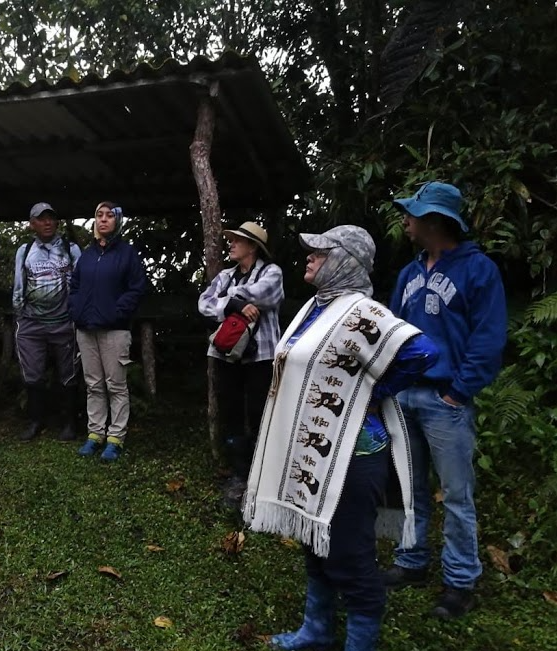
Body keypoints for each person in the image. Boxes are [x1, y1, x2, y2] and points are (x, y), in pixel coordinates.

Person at [243, 225, 439, 651]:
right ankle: (317, 631)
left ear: (345, 261)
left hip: (354, 454)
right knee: (316, 543)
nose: (309, 257)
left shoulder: (363, 313)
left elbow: (422, 352)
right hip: (317, 452)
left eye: (320, 251)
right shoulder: (318, 308)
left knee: (350, 557)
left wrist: (371, 393)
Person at [384, 182, 508, 619]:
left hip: (446, 400)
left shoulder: (478, 270)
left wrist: (458, 391)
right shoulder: (409, 273)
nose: (405, 219)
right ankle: (411, 560)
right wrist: (391, 385)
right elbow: (393, 331)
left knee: (456, 494)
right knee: (409, 487)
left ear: (435, 220)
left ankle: (460, 581)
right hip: (405, 396)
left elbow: (487, 339)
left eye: (412, 213)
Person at [197, 221, 283, 506]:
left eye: (237, 240)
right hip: (226, 354)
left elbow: (265, 294)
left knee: (260, 411)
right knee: (231, 411)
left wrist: (226, 301)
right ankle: (239, 473)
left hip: (261, 355)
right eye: (231, 240)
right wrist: (233, 306)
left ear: (253, 247)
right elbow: (203, 303)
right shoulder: (225, 275)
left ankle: (263, 473)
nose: (231, 244)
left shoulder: (272, 272)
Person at [69, 202, 148, 462]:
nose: (103, 220)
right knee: (93, 384)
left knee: (116, 385)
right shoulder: (87, 255)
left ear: (118, 221)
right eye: (99, 215)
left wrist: (117, 311)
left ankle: (116, 438)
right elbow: (75, 285)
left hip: (115, 330)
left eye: (109, 216)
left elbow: (137, 288)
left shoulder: (127, 254)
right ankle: (95, 434)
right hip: (86, 328)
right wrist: (76, 310)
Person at [13, 202, 82, 442]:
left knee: (69, 374)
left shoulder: (70, 249)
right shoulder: (25, 250)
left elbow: (81, 284)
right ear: (32, 224)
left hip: (64, 322)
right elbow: (18, 285)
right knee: (32, 374)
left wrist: (76, 314)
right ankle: (35, 421)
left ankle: (69, 422)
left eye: (51, 218)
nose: (47, 222)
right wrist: (20, 315)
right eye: (41, 219)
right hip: (31, 323)